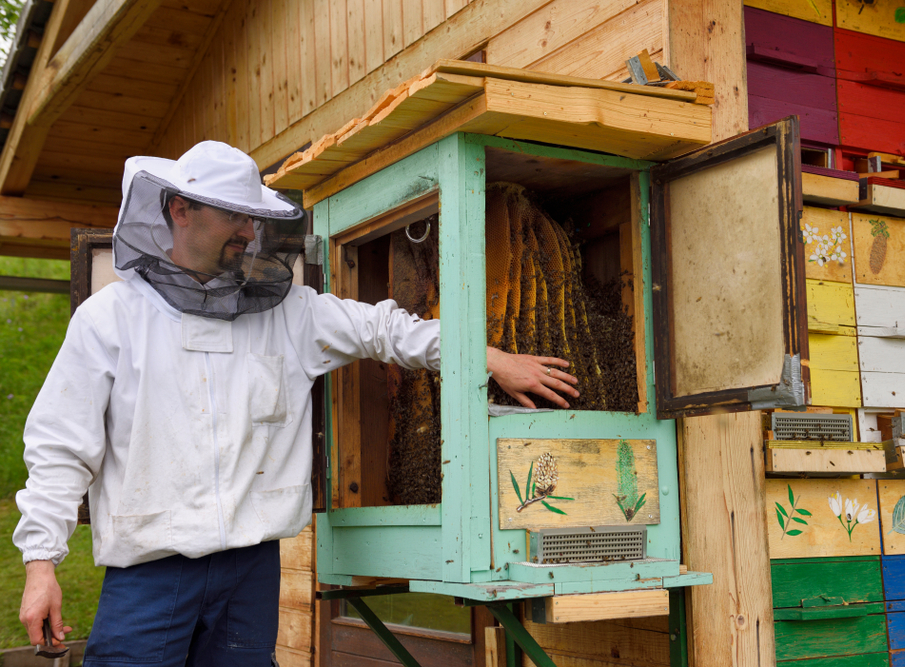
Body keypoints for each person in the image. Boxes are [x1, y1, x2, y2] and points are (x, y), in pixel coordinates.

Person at [14, 141, 579, 666]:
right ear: (180, 209)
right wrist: (42, 564)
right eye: (233, 214)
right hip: (150, 577)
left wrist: (486, 356)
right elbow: (62, 446)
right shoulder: (110, 319)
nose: (248, 230)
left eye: (252, 216)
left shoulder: (290, 311)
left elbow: (384, 329)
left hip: (250, 569)